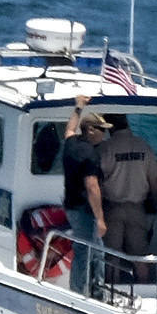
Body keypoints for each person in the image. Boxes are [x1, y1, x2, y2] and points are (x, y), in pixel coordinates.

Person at [97, 115, 157, 284]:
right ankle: (146, 288)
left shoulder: (106, 148)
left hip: (111, 208)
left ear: (109, 128)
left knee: (112, 255)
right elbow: (155, 179)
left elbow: (96, 179)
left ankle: (113, 289)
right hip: (137, 208)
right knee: (140, 255)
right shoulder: (143, 146)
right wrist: (155, 202)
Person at [58, 101, 109, 296]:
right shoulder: (90, 154)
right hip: (84, 211)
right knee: (86, 251)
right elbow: (92, 187)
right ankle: (80, 292)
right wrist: (100, 218)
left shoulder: (72, 143)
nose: (104, 134)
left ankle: (95, 289)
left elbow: (70, 128)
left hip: (71, 207)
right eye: (101, 130)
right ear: (89, 130)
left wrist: (78, 108)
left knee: (96, 250)